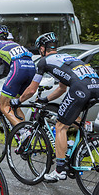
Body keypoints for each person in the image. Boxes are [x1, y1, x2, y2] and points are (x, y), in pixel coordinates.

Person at [10, 32, 99, 182]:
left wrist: (18, 101)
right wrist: (45, 99)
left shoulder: (44, 61)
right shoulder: (66, 58)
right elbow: (62, 88)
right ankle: (87, 142)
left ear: (43, 49)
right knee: (73, 118)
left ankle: (59, 170)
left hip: (81, 88)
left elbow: (31, 89)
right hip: (95, 85)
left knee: (60, 126)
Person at [0, 26, 36, 127]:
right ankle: (25, 136)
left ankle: (22, 131)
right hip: (32, 69)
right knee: (14, 105)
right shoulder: (15, 44)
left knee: (3, 106)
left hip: (19, 69)